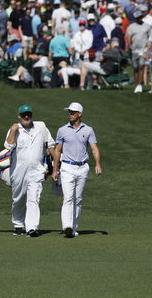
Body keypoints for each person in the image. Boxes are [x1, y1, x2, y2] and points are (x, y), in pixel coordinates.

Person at [51, 102, 102, 238]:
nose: (70, 114)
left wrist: (98, 164)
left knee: (78, 199)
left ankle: (73, 227)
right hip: (67, 167)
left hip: (83, 167)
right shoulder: (62, 130)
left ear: (80, 114)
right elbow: (57, 151)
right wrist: (55, 170)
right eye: (69, 112)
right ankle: (67, 226)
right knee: (68, 198)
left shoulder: (88, 130)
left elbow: (94, 148)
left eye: (73, 112)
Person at [3, 105, 55, 237]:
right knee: (18, 199)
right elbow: (8, 146)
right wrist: (14, 130)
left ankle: (32, 228)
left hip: (37, 170)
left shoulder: (41, 128)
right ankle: (18, 224)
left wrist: (55, 167)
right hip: (18, 170)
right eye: (24, 114)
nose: (27, 117)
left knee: (34, 198)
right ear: (19, 116)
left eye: (29, 114)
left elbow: (50, 146)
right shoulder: (14, 129)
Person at [127, 10, 152, 93]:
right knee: (135, 68)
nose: (139, 19)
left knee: (141, 66)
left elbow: (149, 39)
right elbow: (129, 37)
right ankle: (137, 83)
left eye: (140, 17)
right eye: (137, 18)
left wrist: (148, 50)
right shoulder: (131, 27)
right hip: (134, 50)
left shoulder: (147, 26)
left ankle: (139, 85)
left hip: (143, 50)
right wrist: (129, 46)